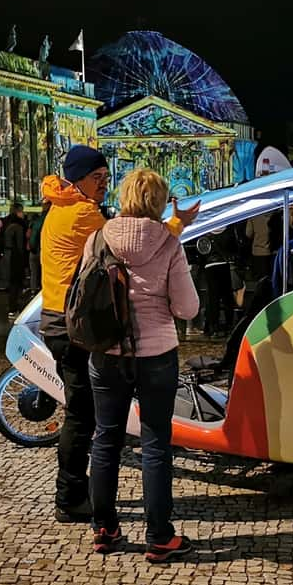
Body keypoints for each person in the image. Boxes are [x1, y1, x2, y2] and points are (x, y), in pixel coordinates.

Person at [39, 145, 196, 525]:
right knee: (82, 418)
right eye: (97, 179)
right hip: (76, 324)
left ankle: (96, 513)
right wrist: (174, 229)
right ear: (76, 179)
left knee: (98, 424)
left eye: (107, 179)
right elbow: (129, 246)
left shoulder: (59, 207)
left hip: (60, 316)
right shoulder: (83, 215)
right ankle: (70, 496)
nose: (103, 185)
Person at [84, 168, 199, 562]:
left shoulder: (98, 237)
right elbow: (188, 308)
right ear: (161, 202)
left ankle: (104, 529)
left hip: (106, 353)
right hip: (156, 356)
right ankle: (160, 536)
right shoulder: (169, 244)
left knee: (106, 440)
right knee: (154, 445)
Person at [2, 203, 28, 316]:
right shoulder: (18, 227)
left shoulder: (7, 225)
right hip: (16, 258)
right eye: (22, 211)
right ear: (18, 212)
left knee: (12, 283)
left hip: (8, 256)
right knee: (16, 284)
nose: (23, 214)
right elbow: (20, 246)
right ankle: (14, 308)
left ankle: (12, 307)